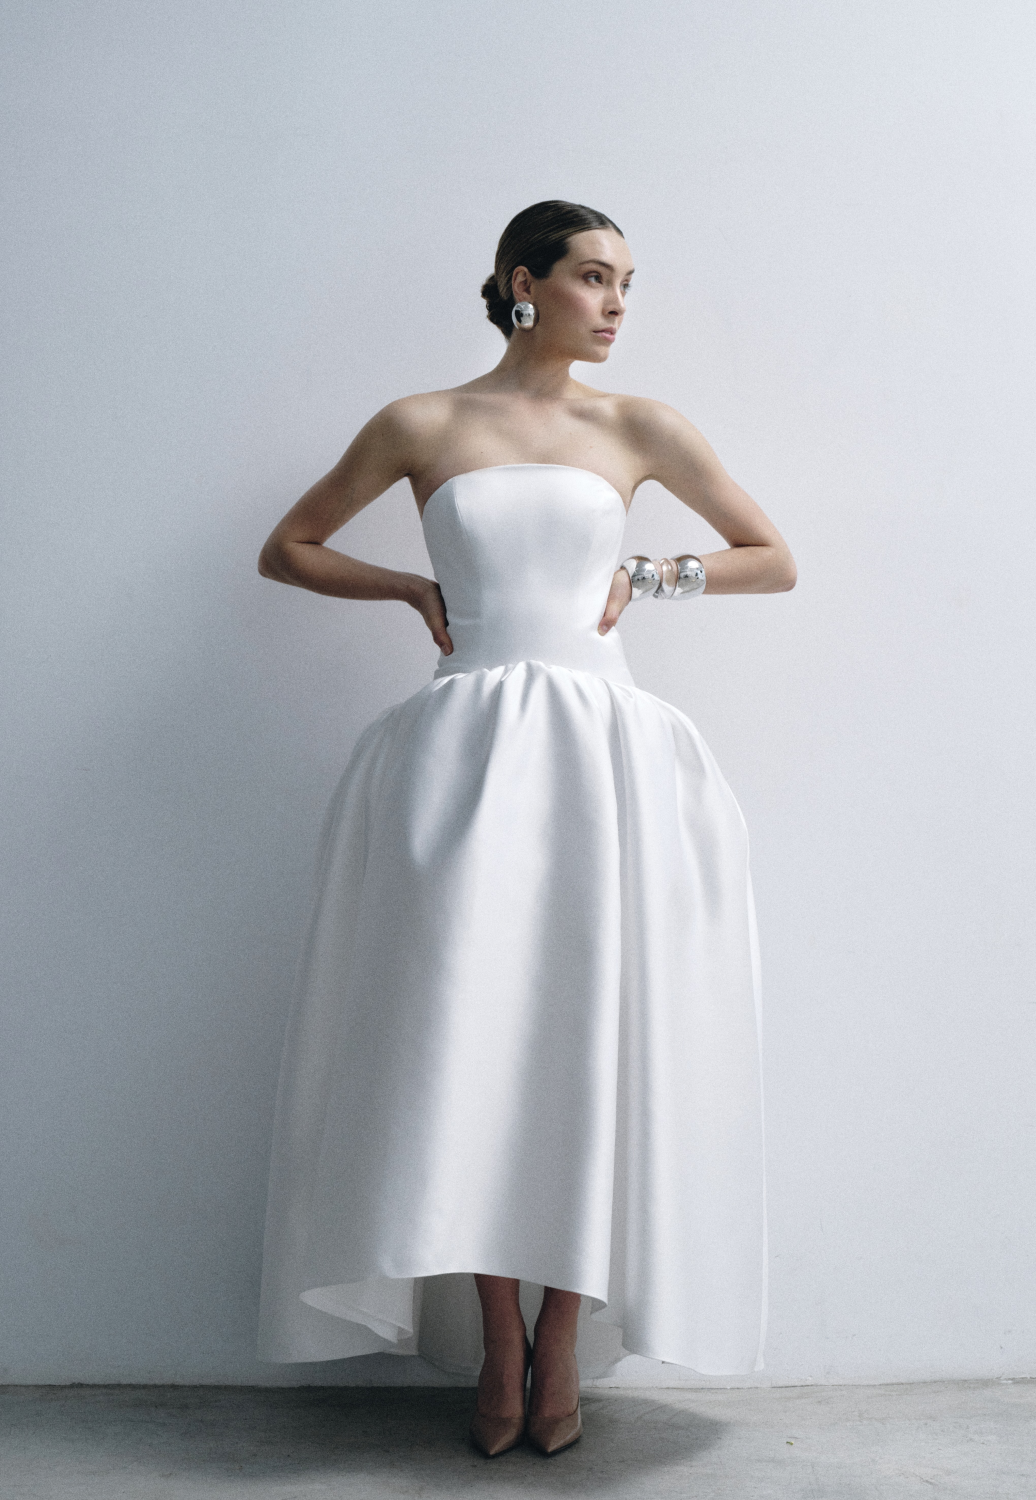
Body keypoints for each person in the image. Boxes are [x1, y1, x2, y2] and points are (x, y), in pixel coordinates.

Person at [255, 200, 796, 1457]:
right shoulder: (420, 424)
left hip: (604, 757)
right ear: (522, 282)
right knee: (472, 1039)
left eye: (626, 283)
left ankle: (563, 1334)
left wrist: (651, 575)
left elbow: (770, 555)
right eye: (593, 277)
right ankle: (500, 1336)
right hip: (464, 755)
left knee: (589, 1034)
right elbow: (289, 548)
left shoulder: (641, 426)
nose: (615, 304)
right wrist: (409, 587)